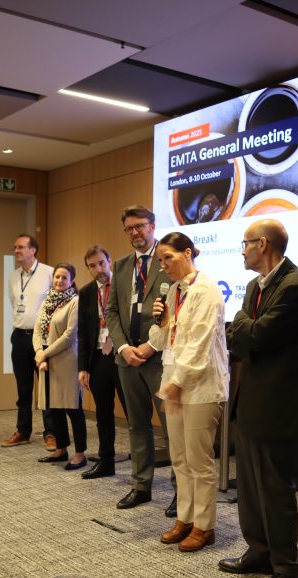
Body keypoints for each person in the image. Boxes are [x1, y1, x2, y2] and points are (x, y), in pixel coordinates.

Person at [221, 218, 298, 578]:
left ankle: (285, 566)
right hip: (253, 401)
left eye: (245, 243)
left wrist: (244, 325)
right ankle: (258, 551)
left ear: (262, 244)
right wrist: (246, 327)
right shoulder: (253, 286)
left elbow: (256, 335)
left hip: (280, 405)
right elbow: (240, 341)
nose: (242, 250)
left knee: (275, 488)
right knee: (248, 485)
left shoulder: (295, 284)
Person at [149, 232, 228, 552]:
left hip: (201, 386)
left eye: (168, 257)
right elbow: (161, 341)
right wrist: (161, 321)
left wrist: (176, 384)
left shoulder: (206, 289)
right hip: (177, 384)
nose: (164, 265)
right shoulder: (175, 292)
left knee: (199, 461)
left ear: (187, 253)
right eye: (160, 261)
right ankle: (185, 517)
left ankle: (205, 526)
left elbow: (199, 344)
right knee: (180, 459)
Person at [105, 205, 175, 512]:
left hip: (159, 358)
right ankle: (141, 485)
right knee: (137, 425)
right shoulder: (121, 266)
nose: (135, 232)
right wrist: (122, 348)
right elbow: (112, 312)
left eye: (140, 226)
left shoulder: (168, 261)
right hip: (127, 358)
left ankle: (179, 490)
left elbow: (177, 308)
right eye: (129, 228)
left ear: (152, 226)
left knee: (172, 427)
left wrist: (149, 346)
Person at [77, 245, 127, 480]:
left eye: (102, 263)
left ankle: (141, 468)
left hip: (123, 357)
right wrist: (83, 368)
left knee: (133, 414)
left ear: (110, 261)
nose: (99, 269)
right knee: (103, 414)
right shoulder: (86, 292)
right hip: (98, 358)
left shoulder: (123, 286)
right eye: (93, 266)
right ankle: (106, 462)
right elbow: (84, 333)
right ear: (88, 268)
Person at [3, 234, 56, 449]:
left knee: (46, 388)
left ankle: (52, 433)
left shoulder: (49, 273)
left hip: (43, 339)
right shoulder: (13, 277)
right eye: (15, 247)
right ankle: (23, 431)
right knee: (23, 388)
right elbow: (15, 303)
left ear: (33, 250)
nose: (16, 250)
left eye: (21, 247)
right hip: (19, 336)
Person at [32, 263, 87, 469]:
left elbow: (69, 335)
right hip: (46, 360)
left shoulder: (75, 301)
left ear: (72, 280)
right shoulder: (47, 300)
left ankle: (80, 454)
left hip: (66, 360)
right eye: (57, 277)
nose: (59, 281)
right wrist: (39, 352)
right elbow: (37, 330)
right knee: (54, 407)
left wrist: (44, 353)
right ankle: (61, 449)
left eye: (64, 278)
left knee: (72, 407)